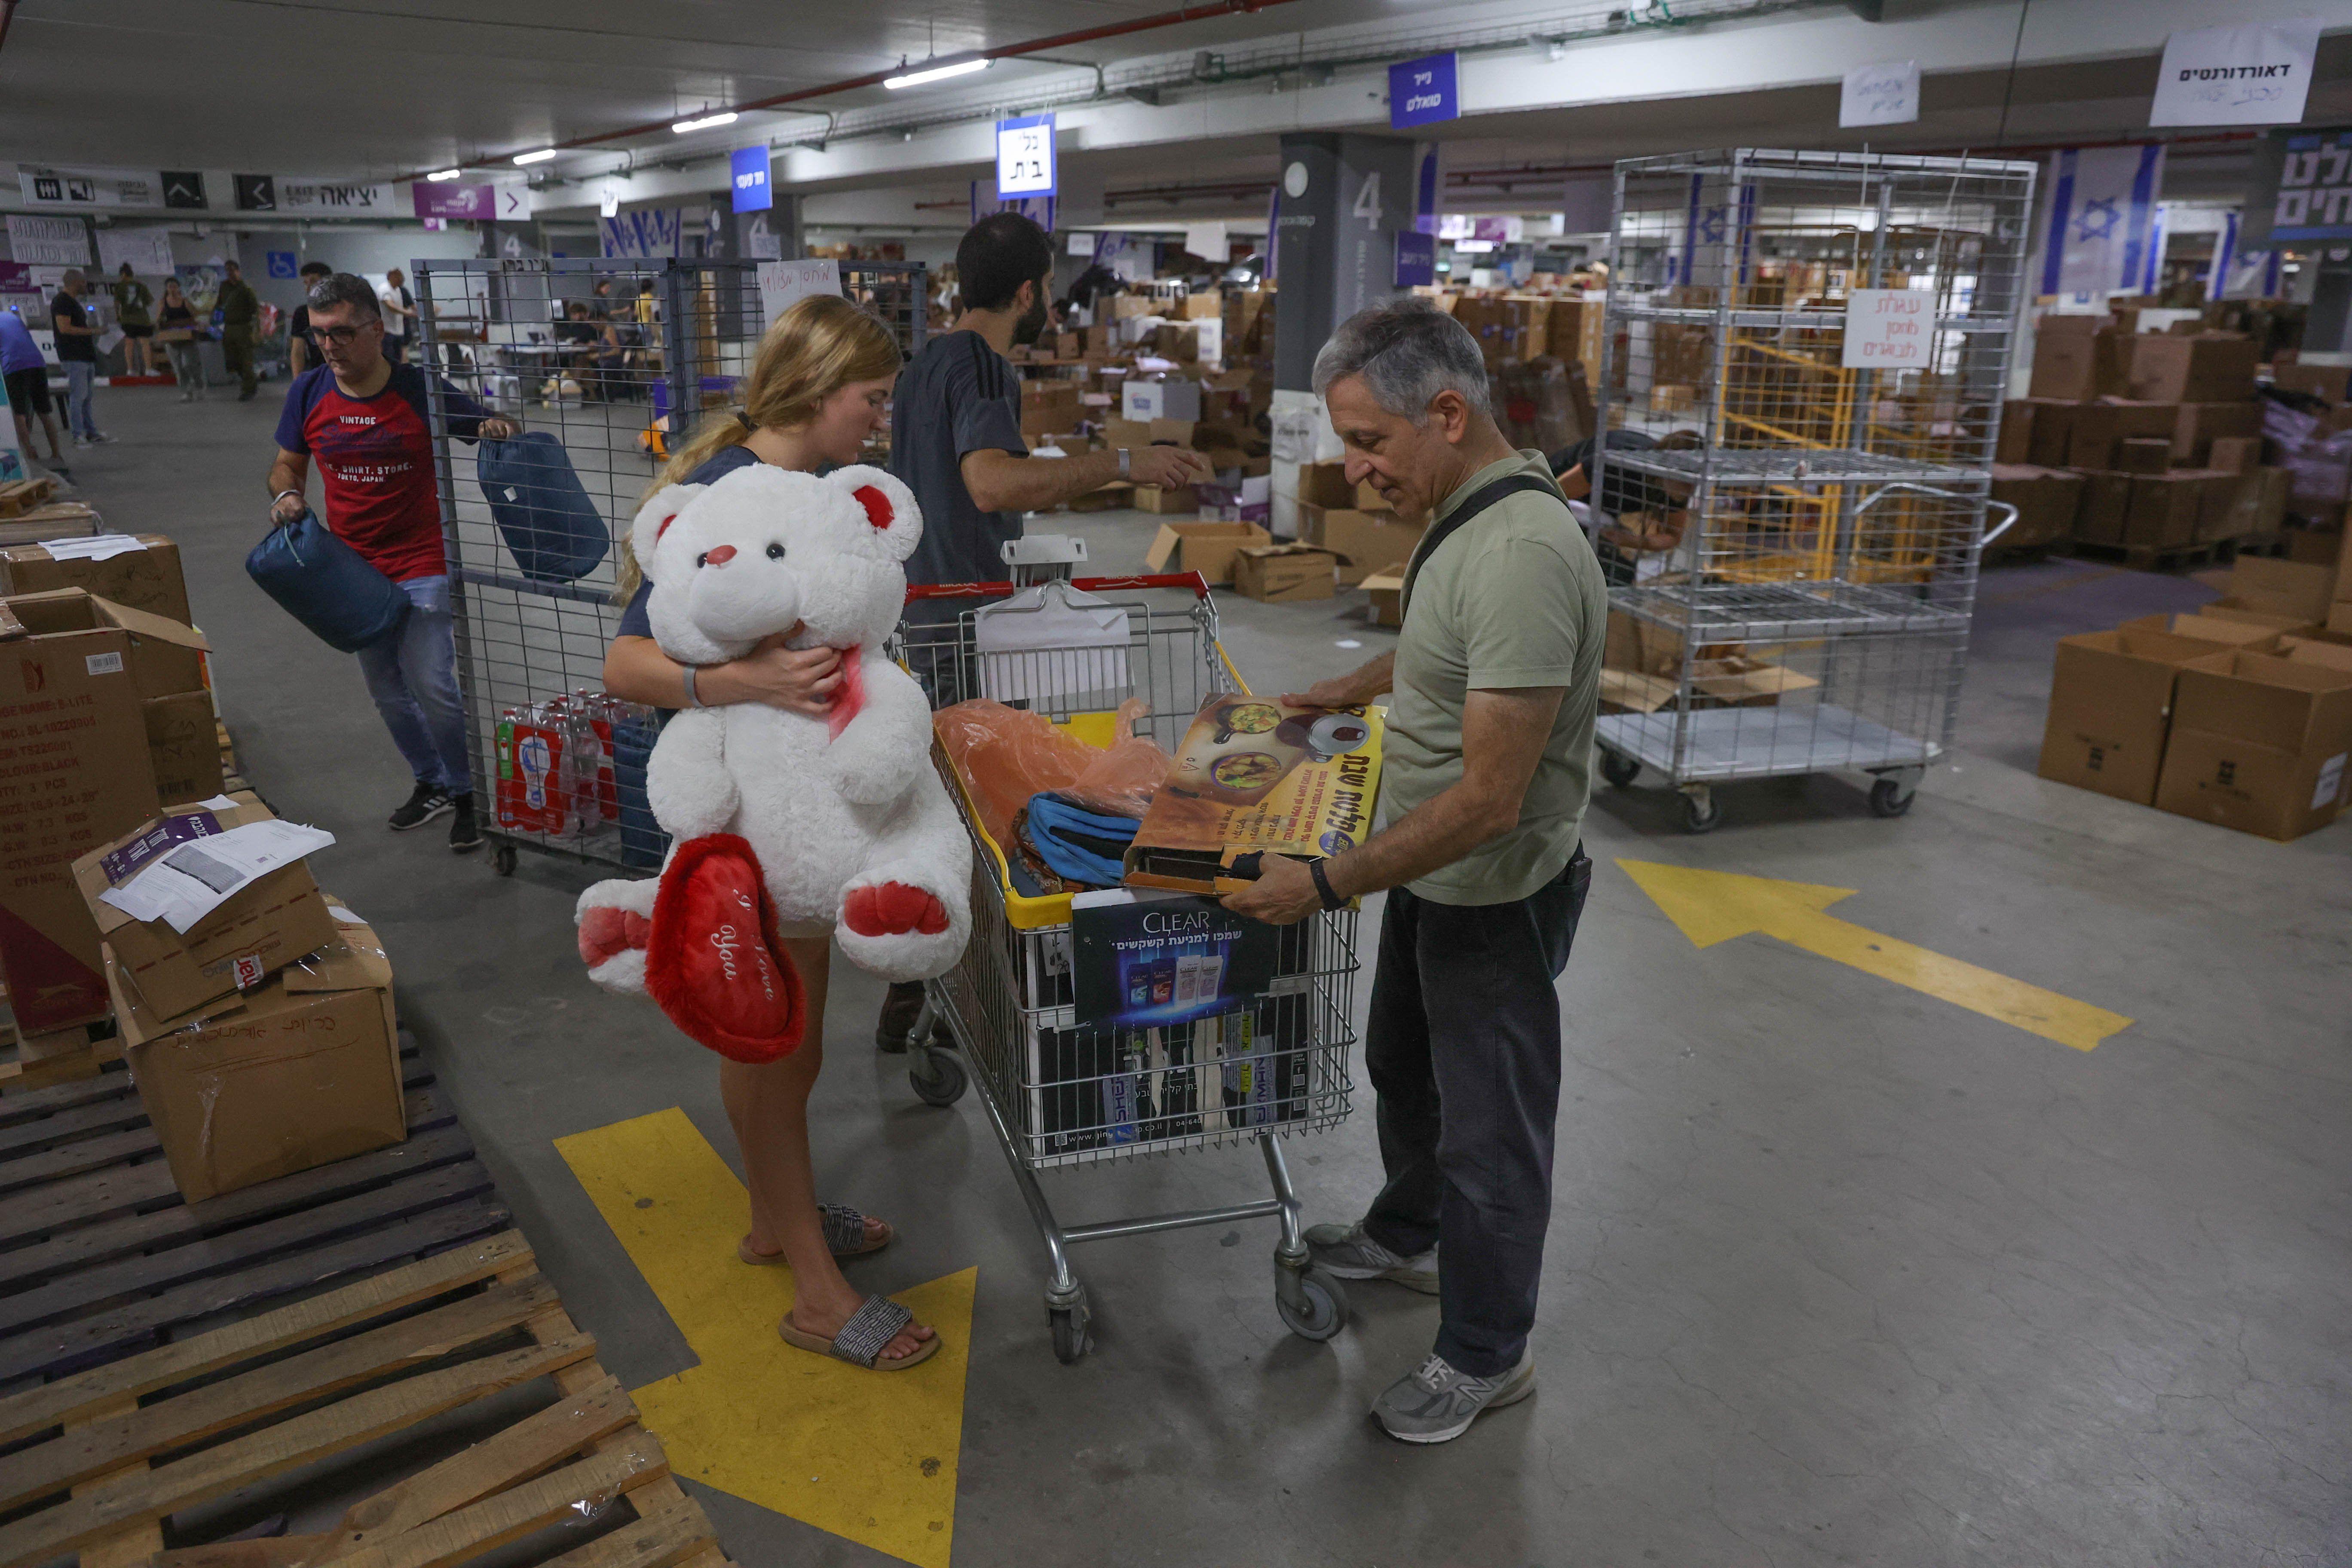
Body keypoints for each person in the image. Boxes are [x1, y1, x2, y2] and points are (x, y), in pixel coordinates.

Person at [1224, 297, 1605, 1445]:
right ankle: (1410, 1231)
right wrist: (1359, 686)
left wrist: (1328, 882)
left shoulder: (1529, 549)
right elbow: (1457, 647)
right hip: (1434, 880)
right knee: (1407, 1066)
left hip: (1493, 887)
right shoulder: (1468, 513)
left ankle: (1489, 1353)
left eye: (1370, 443)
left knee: (1491, 1131)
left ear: (1448, 413)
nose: (1353, 470)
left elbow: (1490, 800)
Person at [600, 291, 939, 1371]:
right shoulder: (715, 493)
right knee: (776, 1043)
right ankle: (814, 1289)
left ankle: (772, 1217)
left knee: (783, 1041)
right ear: (815, 388)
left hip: (795, 819)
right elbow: (623, 664)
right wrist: (736, 678)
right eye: (869, 401)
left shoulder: (795, 489)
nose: (876, 425)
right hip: (744, 825)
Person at [871, 210, 1215, 1052]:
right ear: (1030, 291)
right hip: (974, 626)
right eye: (1049, 287)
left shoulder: (924, 369)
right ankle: (974, 997)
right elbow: (989, 484)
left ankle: (913, 991)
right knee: (994, 813)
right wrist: (1124, 464)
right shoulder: (984, 366)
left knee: (946, 803)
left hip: (925, 613)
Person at [266, 273, 516, 851]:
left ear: (377, 331)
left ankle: (465, 791)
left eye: (343, 333)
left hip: (421, 556)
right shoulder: (308, 393)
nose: (330, 345)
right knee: (385, 690)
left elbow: (481, 424)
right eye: (320, 333)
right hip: (349, 568)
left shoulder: (417, 389)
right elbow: (286, 465)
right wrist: (286, 494)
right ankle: (430, 780)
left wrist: (495, 427)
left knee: (431, 683)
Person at [1550, 429, 1701, 585]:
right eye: (1686, 479)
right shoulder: (1620, 462)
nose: (1691, 488)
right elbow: (1554, 493)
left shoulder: (1677, 490)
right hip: (1557, 490)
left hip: (1596, 511)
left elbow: (1673, 536)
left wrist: (1631, 541)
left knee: (1619, 576)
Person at [2, 308, 70, 473]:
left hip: (14, 366)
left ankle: (30, 455)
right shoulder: (11, 317)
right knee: (44, 412)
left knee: (19, 414)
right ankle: (56, 454)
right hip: (37, 362)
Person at [50, 270, 108, 445]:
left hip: (85, 355)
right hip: (73, 355)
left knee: (87, 396)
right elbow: (65, 329)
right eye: (83, 282)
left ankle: (91, 432)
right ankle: (78, 434)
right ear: (75, 282)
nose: (85, 285)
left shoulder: (74, 303)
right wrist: (94, 331)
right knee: (78, 396)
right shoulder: (62, 301)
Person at [217, 258, 261, 400]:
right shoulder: (224, 287)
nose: (230, 273)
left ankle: (248, 389)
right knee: (232, 361)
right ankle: (251, 381)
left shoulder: (245, 289)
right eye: (227, 271)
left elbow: (255, 310)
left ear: (238, 271)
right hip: (229, 327)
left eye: (232, 270)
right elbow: (219, 305)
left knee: (246, 360)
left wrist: (256, 330)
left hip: (244, 327)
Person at [155, 279, 205, 401]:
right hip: (172, 339)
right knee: (178, 367)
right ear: (167, 289)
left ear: (178, 288)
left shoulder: (186, 302)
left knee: (189, 364)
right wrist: (160, 325)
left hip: (187, 338)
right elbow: (158, 320)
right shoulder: (163, 303)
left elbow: (196, 317)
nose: (172, 289)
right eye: (170, 287)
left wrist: (197, 326)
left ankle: (200, 386)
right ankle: (187, 392)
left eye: (174, 286)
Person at [287, 260, 333, 378]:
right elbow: (298, 350)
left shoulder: (342, 309)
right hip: (320, 374)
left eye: (313, 282)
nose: (308, 288)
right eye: (306, 283)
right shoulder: (302, 313)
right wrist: (298, 383)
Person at [112, 264, 154, 377]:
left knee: (129, 344)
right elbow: (150, 302)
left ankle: (130, 370)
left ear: (123, 274)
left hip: (128, 320)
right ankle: (149, 369)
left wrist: (118, 315)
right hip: (143, 320)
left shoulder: (120, 286)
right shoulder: (141, 286)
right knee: (145, 344)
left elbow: (117, 303)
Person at [378, 267, 417, 365]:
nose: (402, 279)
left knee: (398, 359)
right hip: (388, 331)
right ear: (392, 277)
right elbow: (391, 306)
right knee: (389, 358)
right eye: (399, 276)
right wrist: (408, 313)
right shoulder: (385, 289)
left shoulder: (398, 290)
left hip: (398, 331)